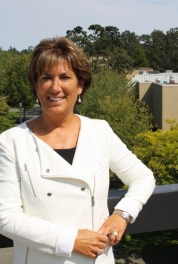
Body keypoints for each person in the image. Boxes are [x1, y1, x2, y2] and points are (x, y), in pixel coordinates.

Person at [0, 37, 155, 264]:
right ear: (35, 85)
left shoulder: (99, 131)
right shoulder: (11, 141)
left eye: (65, 77)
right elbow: (5, 217)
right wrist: (69, 239)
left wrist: (122, 215)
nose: (55, 87)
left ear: (80, 84)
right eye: (46, 78)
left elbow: (143, 177)